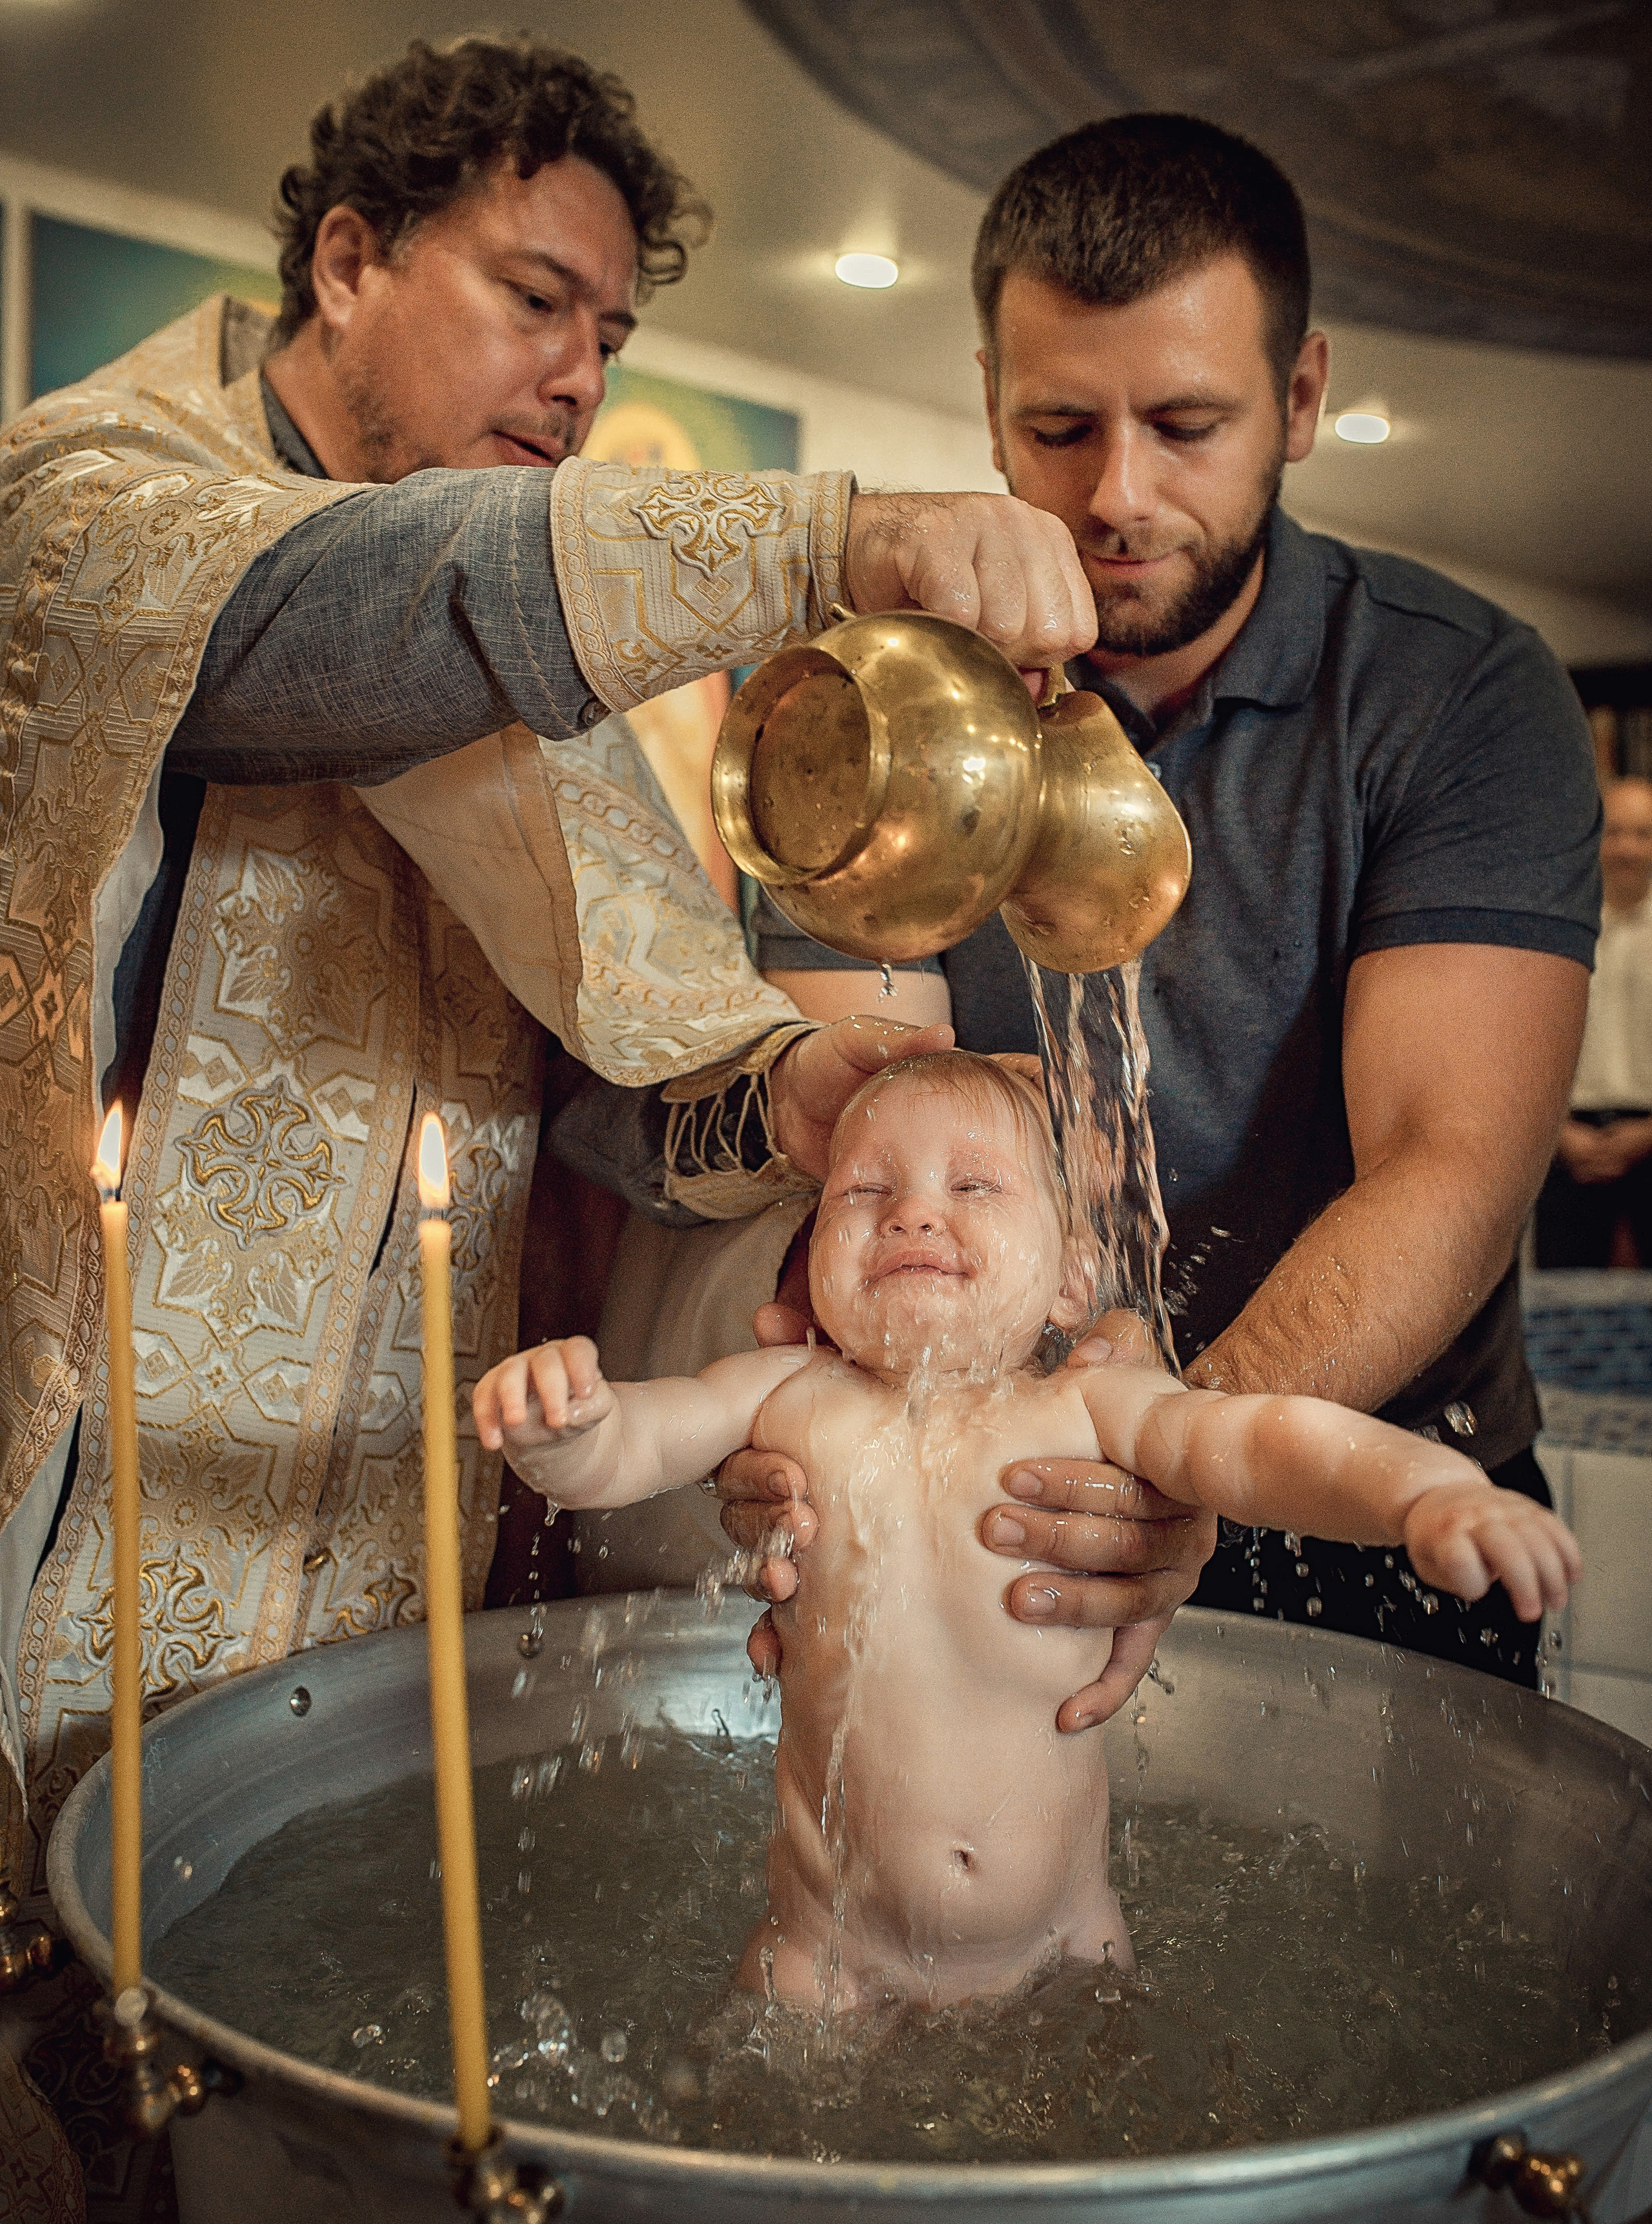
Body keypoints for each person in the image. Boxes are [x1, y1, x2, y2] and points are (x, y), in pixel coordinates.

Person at [0, 32, 1100, 2224]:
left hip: (391, 1522)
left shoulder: (542, 681)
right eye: (534, 299)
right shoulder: (88, 496)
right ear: (345, 260)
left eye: (611, 329)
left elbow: (616, 1049)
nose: (583, 374)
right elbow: (337, 619)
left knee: (292, 2096)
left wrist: (789, 1095)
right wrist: (834, 539)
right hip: (65, 1521)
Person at [715, 112, 1602, 1695]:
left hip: (1368, 1491)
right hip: (996, 1495)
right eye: (1058, 427)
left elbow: (1448, 1162)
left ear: (1299, 398)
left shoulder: (1454, 691)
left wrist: (1177, 1447)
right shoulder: (870, 702)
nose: (1116, 494)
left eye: (1186, 423)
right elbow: (865, 1129)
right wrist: (807, 1413)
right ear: (988, 400)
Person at [477, 1053, 1579, 2009]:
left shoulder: (1090, 1411)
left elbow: (1262, 1443)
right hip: (827, 1952)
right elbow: (630, 1448)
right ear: (809, 1260)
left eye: (973, 1186)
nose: (913, 1214)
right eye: (866, 1191)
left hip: (1068, 1948)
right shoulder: (782, 1393)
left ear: (1071, 1282)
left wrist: (1423, 1492)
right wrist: (560, 1423)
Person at [1535, 776, 1652, 1267]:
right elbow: (1525, 1043)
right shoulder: (1556, 928)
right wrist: (1558, 1133)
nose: (1627, 848)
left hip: (1650, 1132)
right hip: (1563, 1139)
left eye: (1643, 834)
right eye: (1616, 832)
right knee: (1560, 1300)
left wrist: (1646, 1134)